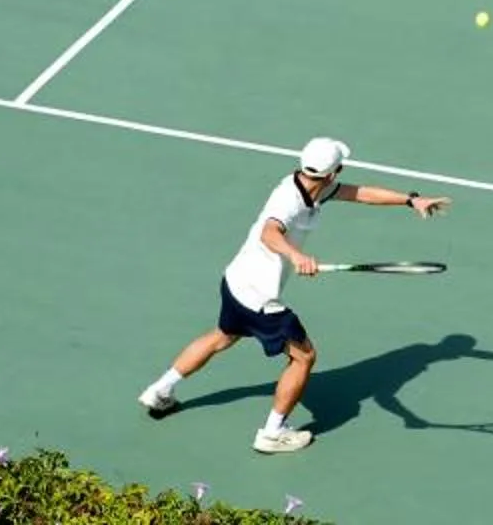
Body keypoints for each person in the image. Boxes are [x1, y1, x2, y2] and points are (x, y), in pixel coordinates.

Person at [137, 137, 449, 453]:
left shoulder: (315, 185)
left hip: (235, 282)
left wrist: (412, 200)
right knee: (304, 357)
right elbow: (269, 232)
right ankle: (272, 433)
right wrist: (295, 256)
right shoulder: (288, 199)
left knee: (222, 336)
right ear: (334, 171)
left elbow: (362, 193)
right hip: (260, 299)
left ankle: (160, 390)